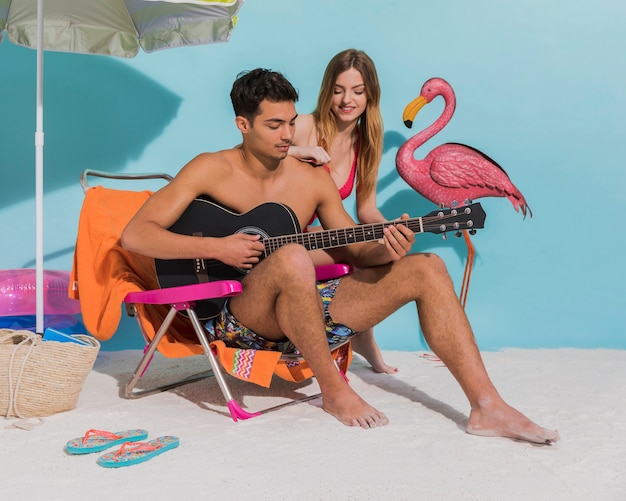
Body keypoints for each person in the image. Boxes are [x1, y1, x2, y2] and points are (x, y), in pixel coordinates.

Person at [122, 68, 559, 443]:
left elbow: (355, 247)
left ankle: (488, 407)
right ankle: (333, 390)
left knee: (427, 266)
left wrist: (388, 245)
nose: (288, 135)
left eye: (292, 122)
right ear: (242, 124)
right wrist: (216, 247)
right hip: (236, 319)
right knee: (293, 256)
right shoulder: (210, 168)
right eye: (273, 125)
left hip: (302, 312)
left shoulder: (311, 180)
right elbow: (136, 234)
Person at [289, 49, 394, 374]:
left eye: (357, 91)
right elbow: (247, 151)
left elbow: (366, 210)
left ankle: (362, 332)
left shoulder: (367, 142)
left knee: (383, 250)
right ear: (327, 91)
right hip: (276, 237)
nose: (347, 99)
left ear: (370, 95)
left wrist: (392, 231)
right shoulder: (305, 126)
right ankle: (356, 332)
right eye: (338, 90)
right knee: (357, 251)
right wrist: (297, 150)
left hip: (313, 239)